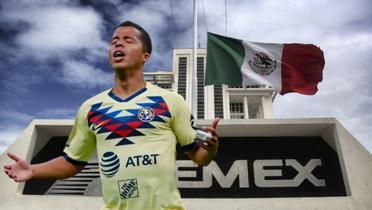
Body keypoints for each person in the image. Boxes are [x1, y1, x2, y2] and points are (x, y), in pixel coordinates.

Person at [3, 21, 219, 210]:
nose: (118, 43)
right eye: (114, 40)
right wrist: (32, 170)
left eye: (128, 40)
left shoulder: (170, 101)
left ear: (145, 55)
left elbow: (199, 158)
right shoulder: (91, 108)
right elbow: (73, 162)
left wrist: (211, 148)